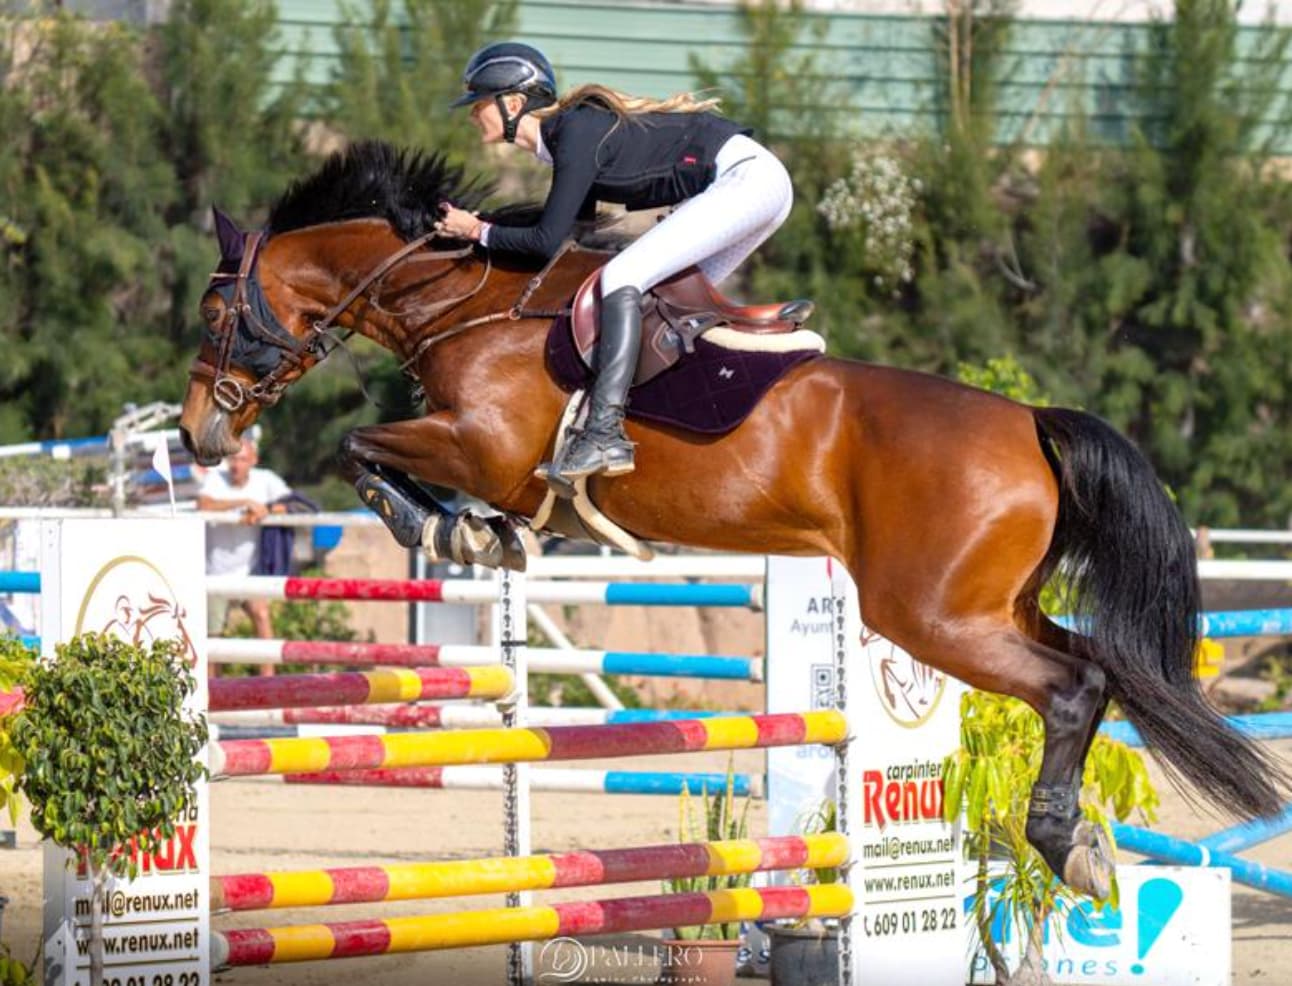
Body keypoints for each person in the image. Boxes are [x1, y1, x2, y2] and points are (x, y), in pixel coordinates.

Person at [439, 41, 793, 485]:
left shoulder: (574, 134)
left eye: (479, 103)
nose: (473, 114)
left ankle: (604, 432)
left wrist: (477, 231)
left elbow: (545, 242)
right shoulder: (571, 135)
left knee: (623, 275)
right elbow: (573, 231)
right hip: (757, 183)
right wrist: (482, 225)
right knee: (666, 297)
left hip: (746, 181)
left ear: (512, 104)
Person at [197, 436, 292, 675]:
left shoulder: (266, 479)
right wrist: (245, 503)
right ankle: (211, 690)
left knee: (262, 616)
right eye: (233, 459)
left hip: (249, 572)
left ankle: (269, 685)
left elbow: (292, 503)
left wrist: (265, 510)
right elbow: (204, 504)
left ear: (253, 460)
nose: (236, 465)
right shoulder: (215, 478)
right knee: (213, 637)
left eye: (241, 460)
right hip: (215, 573)